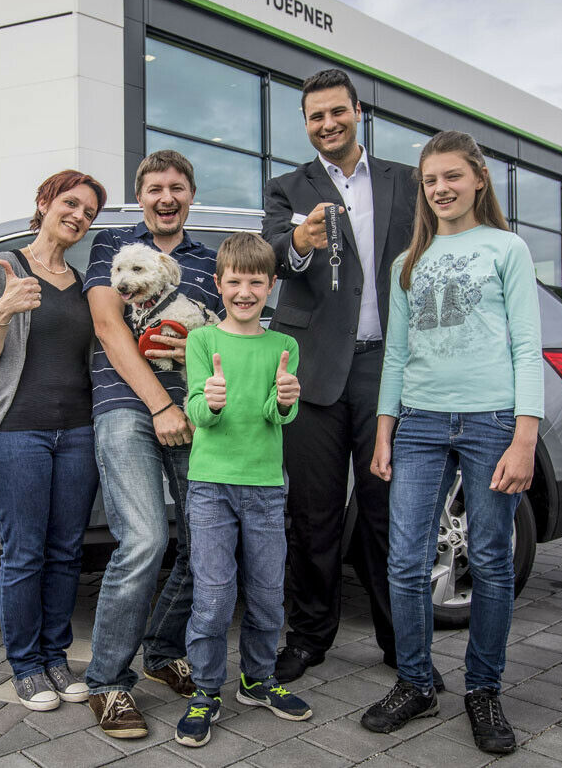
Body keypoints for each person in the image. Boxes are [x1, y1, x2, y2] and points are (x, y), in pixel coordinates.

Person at [361, 130, 542, 755]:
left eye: (452, 177)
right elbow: (397, 356)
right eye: (431, 180)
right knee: (404, 562)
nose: (441, 189)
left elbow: (526, 347)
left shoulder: (506, 248)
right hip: (420, 424)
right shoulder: (405, 263)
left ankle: (483, 689)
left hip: (492, 421)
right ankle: (415, 680)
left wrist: (525, 438)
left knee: (490, 560)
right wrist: (385, 430)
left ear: (478, 180)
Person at [260, 68, 419, 682]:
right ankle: (308, 635)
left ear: (359, 112)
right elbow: (273, 255)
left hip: (385, 367)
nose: (326, 124)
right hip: (312, 371)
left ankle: (398, 639)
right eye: (314, 117)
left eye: (337, 112)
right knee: (312, 513)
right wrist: (299, 239)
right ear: (305, 125)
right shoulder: (284, 188)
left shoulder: (405, 183)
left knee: (387, 512)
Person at [83, 150, 223, 739]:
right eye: (154, 188)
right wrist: (161, 405)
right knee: (143, 539)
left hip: (195, 412)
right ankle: (108, 683)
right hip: (128, 409)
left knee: (204, 540)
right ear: (140, 197)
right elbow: (110, 328)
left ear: (191, 194)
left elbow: (225, 335)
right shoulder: (113, 247)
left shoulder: (211, 262)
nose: (166, 197)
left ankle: (163, 653)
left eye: (177, 187)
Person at [0, 170, 108, 711]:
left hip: (77, 432)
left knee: (66, 552)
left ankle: (55, 657)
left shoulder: (86, 281)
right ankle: (25, 667)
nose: (78, 215)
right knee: (25, 553)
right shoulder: (3, 269)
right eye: (70, 203)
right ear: (44, 202)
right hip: (16, 432)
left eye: (88, 212)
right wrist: (2, 309)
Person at [175, 233, 313, 748]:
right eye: (234, 280)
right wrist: (208, 402)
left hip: (264, 488)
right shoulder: (203, 342)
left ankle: (257, 681)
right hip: (210, 487)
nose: (245, 290)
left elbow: (279, 416)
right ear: (219, 284)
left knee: (267, 595)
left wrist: (283, 399)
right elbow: (195, 413)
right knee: (212, 597)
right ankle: (206, 690)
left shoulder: (285, 346)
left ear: (272, 285)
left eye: (256, 281)